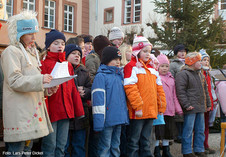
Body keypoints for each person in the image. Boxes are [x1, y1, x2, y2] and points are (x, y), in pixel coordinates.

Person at [1, 10, 54, 155]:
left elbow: (32, 81)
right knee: (16, 152)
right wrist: (40, 79)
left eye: (34, 33)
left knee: (27, 151)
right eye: (30, 33)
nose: (34, 37)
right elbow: (14, 80)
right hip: (19, 115)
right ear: (20, 33)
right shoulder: (11, 51)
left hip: (30, 115)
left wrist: (46, 88)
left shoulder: (30, 53)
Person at [40, 29, 85, 157]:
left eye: (62, 43)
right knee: (50, 146)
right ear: (48, 45)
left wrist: (78, 110)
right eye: (56, 43)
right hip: (51, 112)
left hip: (65, 111)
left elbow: (73, 90)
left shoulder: (67, 65)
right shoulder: (43, 64)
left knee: (61, 146)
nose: (60, 46)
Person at [124, 36, 166, 157]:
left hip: (151, 111)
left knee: (146, 140)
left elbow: (159, 90)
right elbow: (131, 89)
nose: (148, 54)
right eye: (145, 51)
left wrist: (161, 106)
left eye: (149, 51)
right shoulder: (131, 67)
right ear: (137, 52)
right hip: (138, 112)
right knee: (133, 141)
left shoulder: (152, 69)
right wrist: (137, 107)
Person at [92, 46, 129, 157]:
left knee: (115, 146)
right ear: (107, 60)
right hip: (107, 120)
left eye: (119, 59)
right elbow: (98, 100)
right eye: (115, 60)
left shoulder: (119, 75)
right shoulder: (101, 76)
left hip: (118, 118)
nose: (118, 62)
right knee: (105, 147)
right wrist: (98, 122)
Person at [175, 52, 211, 157]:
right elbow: (180, 91)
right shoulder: (183, 74)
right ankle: (187, 151)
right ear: (191, 62)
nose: (200, 63)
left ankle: (199, 149)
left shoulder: (200, 74)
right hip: (190, 107)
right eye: (198, 61)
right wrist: (186, 104)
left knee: (200, 129)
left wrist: (207, 103)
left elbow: (205, 91)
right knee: (188, 130)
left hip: (200, 106)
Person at [64, 44, 92, 157]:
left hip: (81, 115)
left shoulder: (84, 71)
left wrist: (85, 91)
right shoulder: (62, 69)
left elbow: (91, 88)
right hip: (66, 114)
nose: (77, 56)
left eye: (79, 54)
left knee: (79, 146)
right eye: (73, 53)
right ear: (66, 55)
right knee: (64, 147)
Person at [154, 54, 183, 157]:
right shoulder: (156, 78)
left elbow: (174, 95)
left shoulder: (171, 79)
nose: (164, 68)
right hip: (159, 110)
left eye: (166, 66)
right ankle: (156, 149)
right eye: (162, 66)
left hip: (170, 109)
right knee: (158, 131)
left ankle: (166, 149)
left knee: (168, 130)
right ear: (157, 67)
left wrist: (178, 108)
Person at [199, 49, 218, 154]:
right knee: (200, 126)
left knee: (206, 126)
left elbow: (211, 89)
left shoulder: (209, 74)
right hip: (202, 103)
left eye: (207, 60)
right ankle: (200, 146)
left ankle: (205, 144)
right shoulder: (200, 73)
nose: (206, 62)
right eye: (204, 60)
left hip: (209, 103)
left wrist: (213, 101)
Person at [170, 44, 188, 143]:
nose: (182, 53)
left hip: (187, 91)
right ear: (176, 53)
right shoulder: (173, 64)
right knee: (178, 114)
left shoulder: (188, 62)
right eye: (180, 51)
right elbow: (171, 77)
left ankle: (184, 134)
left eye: (184, 51)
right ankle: (178, 134)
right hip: (177, 90)